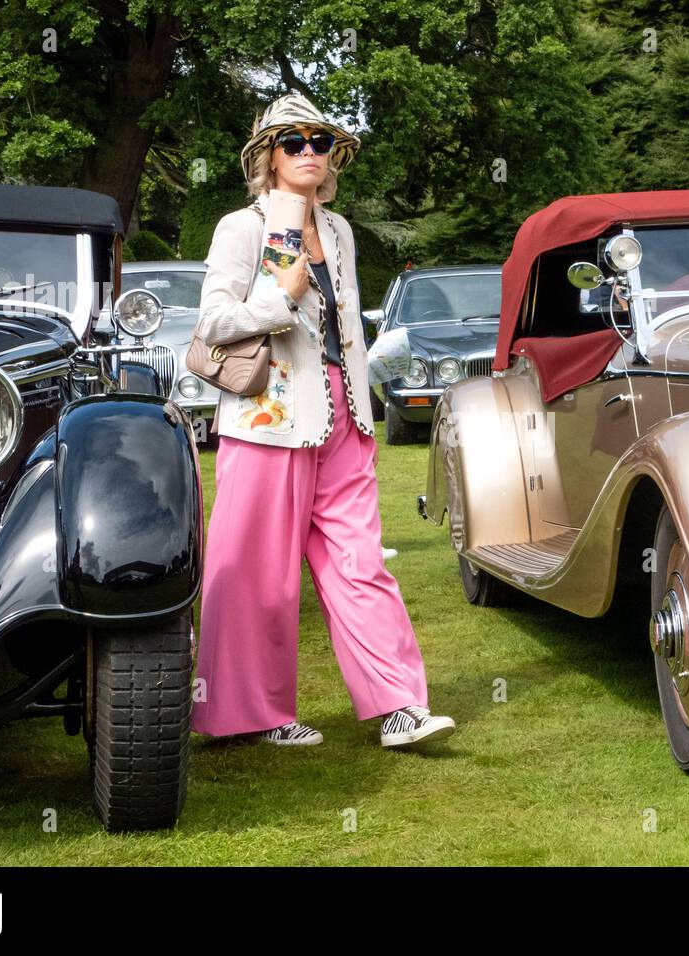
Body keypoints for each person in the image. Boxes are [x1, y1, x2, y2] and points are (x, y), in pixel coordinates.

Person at [191, 91, 456, 749]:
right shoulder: (243, 227)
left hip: (346, 415)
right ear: (269, 156)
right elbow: (213, 323)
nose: (309, 151)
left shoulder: (337, 230)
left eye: (320, 141)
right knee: (257, 574)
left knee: (361, 563)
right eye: (293, 142)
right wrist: (280, 299)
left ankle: (399, 706)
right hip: (269, 418)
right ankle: (250, 715)